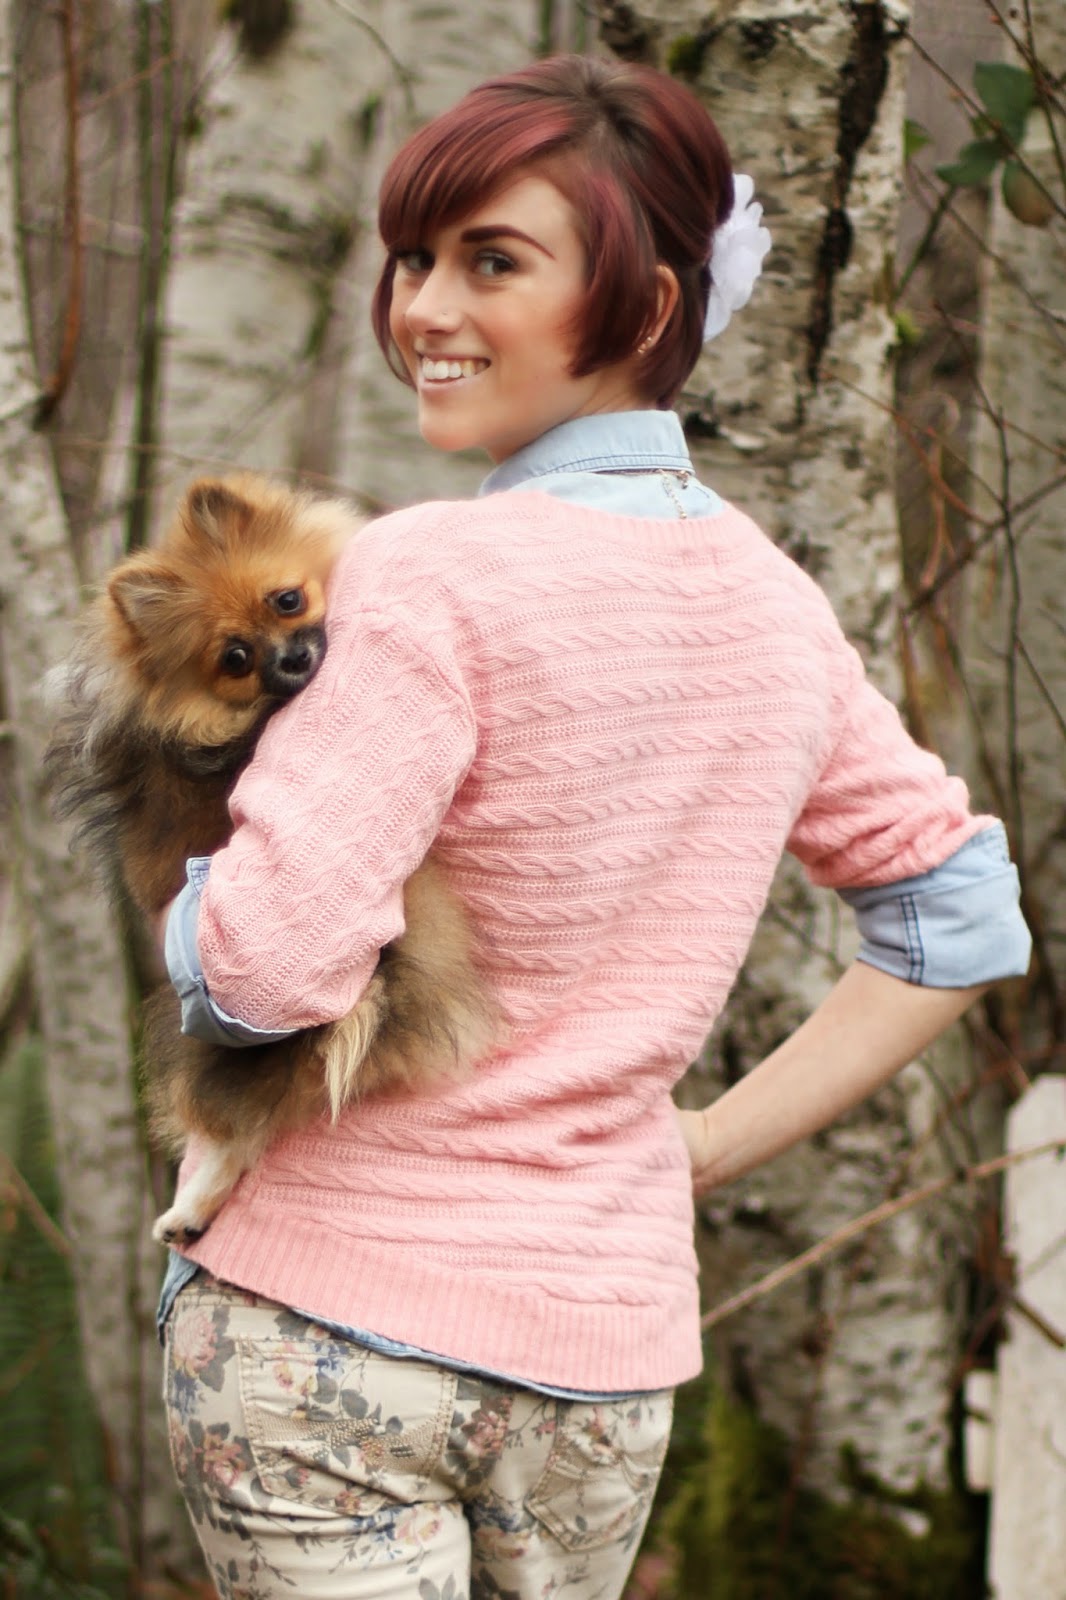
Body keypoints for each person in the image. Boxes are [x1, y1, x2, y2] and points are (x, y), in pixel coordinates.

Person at [158, 53, 1030, 1600]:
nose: (422, 309)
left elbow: (266, 974)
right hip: (598, 1371)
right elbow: (956, 922)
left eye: (491, 262)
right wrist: (693, 1145)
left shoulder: (423, 574)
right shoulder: (771, 607)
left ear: (643, 307)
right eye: (414, 257)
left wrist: (192, 909)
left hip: (330, 1336)